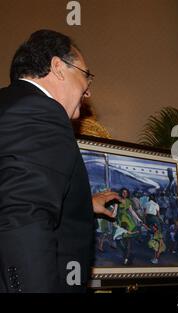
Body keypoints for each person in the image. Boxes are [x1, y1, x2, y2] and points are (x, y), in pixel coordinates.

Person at [0, 29, 118, 292]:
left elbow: (12, 195)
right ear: (58, 67)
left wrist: (80, 205)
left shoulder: (11, 106)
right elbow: (25, 219)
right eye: (86, 75)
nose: (88, 92)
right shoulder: (41, 112)